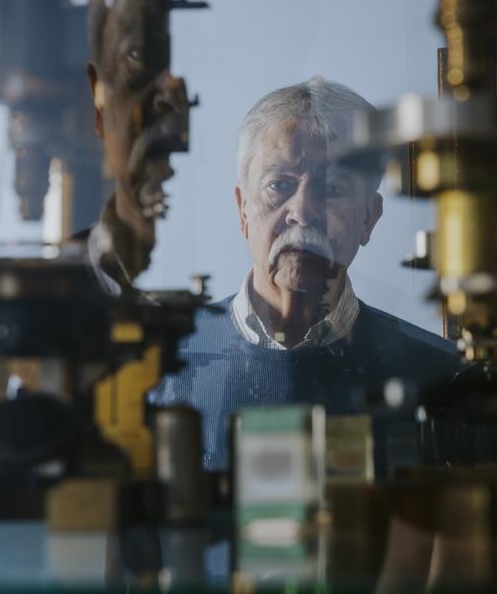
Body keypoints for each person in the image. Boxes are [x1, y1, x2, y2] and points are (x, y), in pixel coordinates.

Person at [150, 77, 472, 476]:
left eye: (333, 188)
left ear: (369, 218)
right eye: (279, 185)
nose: (303, 212)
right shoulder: (161, 370)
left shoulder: (442, 379)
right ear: (242, 211)